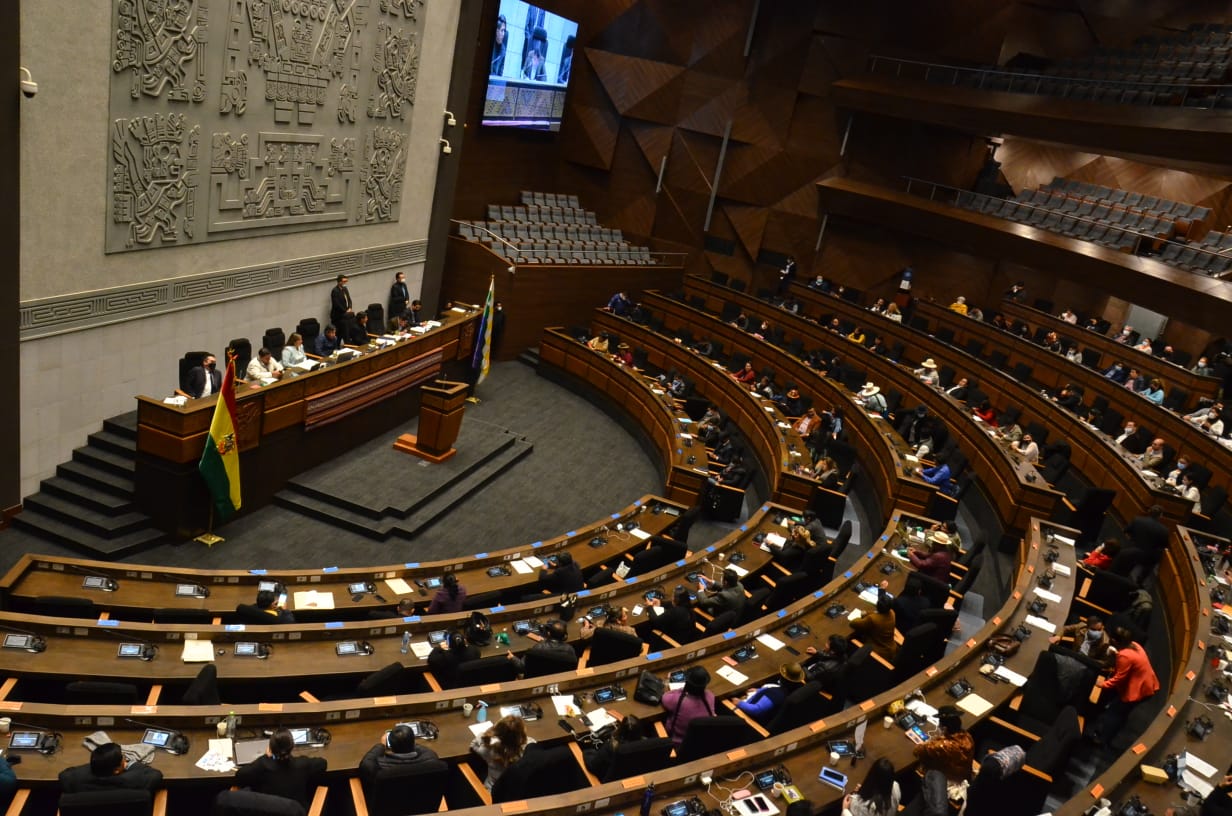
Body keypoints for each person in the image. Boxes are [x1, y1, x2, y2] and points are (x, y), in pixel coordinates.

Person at [1087, 626, 1159, 747]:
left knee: (1115, 713)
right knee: (1120, 713)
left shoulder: (1124, 656)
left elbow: (1118, 679)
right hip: (1147, 684)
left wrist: (1102, 684)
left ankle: (1102, 739)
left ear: (1115, 641)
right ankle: (1107, 735)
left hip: (1138, 690)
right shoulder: (1134, 644)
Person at [234, 728, 327, 808]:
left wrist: (266, 757)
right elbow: (323, 763)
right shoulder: (302, 764)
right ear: (292, 746)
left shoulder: (263, 764)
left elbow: (239, 775)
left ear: (270, 748)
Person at [59, 741, 163, 793]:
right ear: (117, 770)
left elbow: (64, 775)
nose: (125, 758)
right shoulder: (135, 779)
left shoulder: (73, 780)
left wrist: (97, 763)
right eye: (123, 758)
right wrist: (131, 764)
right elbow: (156, 775)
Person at [360, 723, 439, 787]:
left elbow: (366, 763)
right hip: (423, 804)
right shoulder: (431, 758)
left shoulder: (381, 767)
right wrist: (408, 740)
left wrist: (382, 745)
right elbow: (427, 751)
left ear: (391, 746)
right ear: (413, 742)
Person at [913, 706, 974, 783]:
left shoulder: (942, 746)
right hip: (965, 775)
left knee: (915, 770)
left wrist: (932, 741)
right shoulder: (967, 736)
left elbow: (917, 751)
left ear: (944, 728)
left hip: (951, 783)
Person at [471, 715, 533, 789]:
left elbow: (473, 745)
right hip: (518, 790)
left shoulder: (489, 750)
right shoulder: (530, 746)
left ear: (497, 732)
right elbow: (526, 739)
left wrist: (485, 733)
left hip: (493, 792)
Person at [737, 662, 807, 724]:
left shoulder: (776, 694)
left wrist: (739, 703)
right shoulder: (795, 689)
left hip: (748, 719)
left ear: (782, 677)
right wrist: (759, 690)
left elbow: (756, 710)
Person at [661, 666, 715, 744]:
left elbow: (665, 697)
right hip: (700, 740)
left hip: (677, 742)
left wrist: (670, 681)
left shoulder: (677, 700)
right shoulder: (710, 696)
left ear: (687, 681)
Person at [584, 715, 646, 780]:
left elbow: (593, 766)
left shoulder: (611, 748)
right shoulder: (646, 745)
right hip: (637, 778)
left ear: (620, 729)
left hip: (610, 782)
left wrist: (587, 751)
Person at [508, 619, 575, 674]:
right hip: (557, 675)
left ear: (548, 633)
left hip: (536, 676)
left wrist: (512, 658)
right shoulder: (570, 649)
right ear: (565, 636)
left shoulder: (538, 648)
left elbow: (521, 667)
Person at [849, 589, 897, 660]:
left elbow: (853, 623)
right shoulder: (892, 613)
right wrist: (867, 613)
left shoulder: (872, 619)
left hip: (879, 651)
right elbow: (876, 614)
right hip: (891, 647)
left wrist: (863, 615)